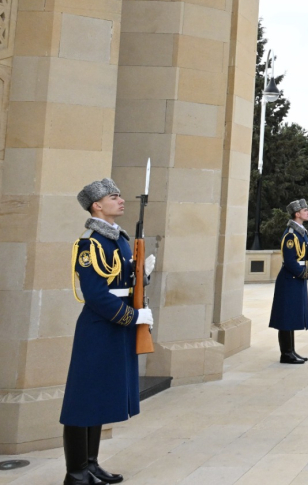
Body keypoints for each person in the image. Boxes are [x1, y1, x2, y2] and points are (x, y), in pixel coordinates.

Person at [60, 178, 155, 485]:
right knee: (82, 399)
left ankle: (91, 464)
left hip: (117, 328)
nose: (121, 200)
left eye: (120, 195)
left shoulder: (120, 238)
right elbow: (96, 295)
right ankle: (75, 472)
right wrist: (132, 316)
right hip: (100, 328)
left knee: (98, 397)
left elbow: (125, 282)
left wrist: (144, 277)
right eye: (114, 197)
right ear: (97, 205)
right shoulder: (90, 243)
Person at [268, 198, 308, 364]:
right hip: (290, 279)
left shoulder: (300, 233)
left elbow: (302, 255)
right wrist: (306, 273)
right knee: (286, 316)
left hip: (296, 278)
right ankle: (286, 354)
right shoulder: (291, 235)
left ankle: (291, 351)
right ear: (297, 214)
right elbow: (290, 262)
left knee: (291, 315)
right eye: (305, 211)